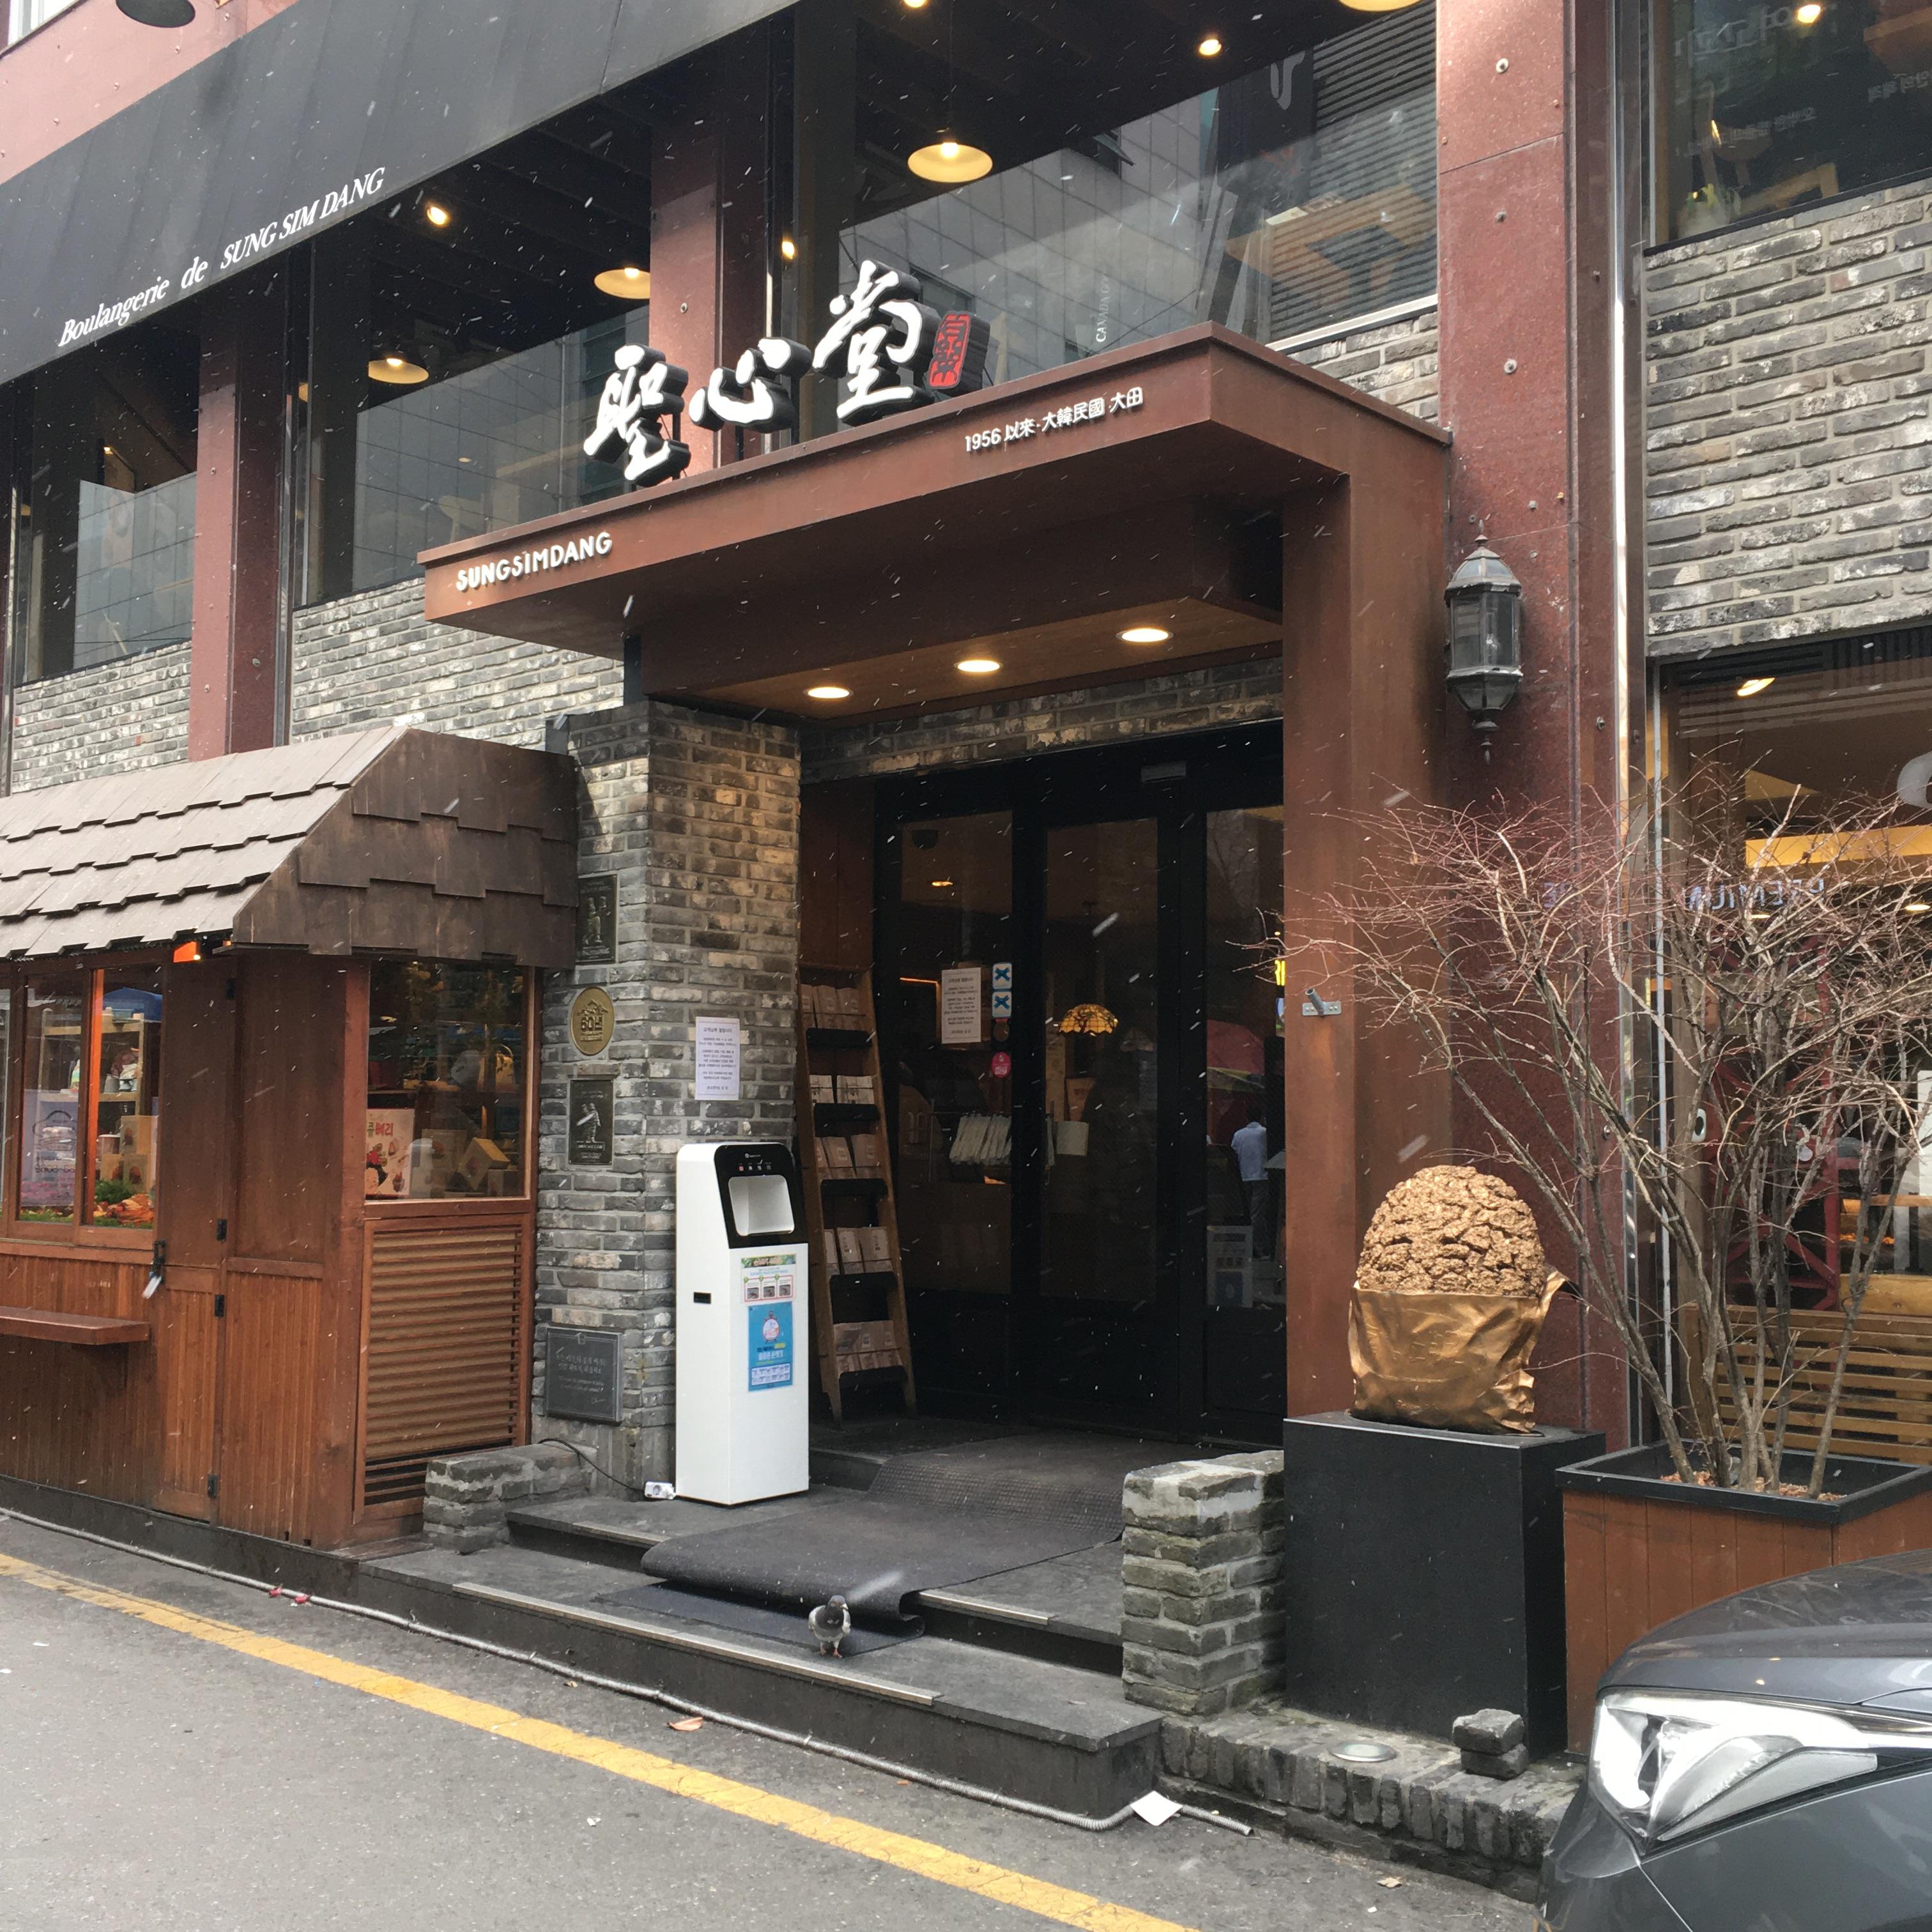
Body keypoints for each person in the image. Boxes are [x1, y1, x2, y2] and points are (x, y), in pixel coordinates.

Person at [1230, 1108, 1271, 1261]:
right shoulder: (1264, 1133)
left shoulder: (1239, 1135)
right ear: (1261, 1118)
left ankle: (1255, 1245)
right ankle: (1260, 1247)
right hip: (1261, 1176)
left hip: (1245, 1176)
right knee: (1258, 1214)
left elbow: (1233, 1153)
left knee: (1252, 1213)